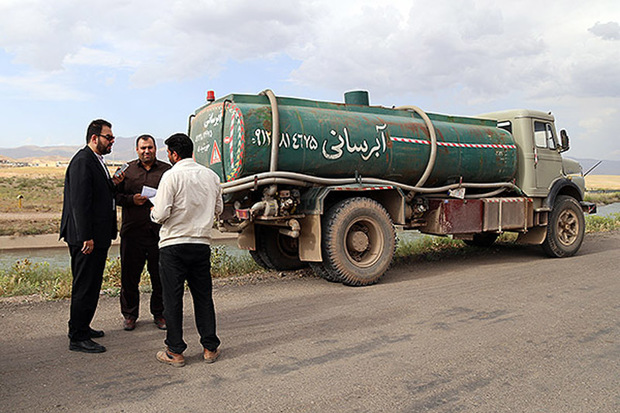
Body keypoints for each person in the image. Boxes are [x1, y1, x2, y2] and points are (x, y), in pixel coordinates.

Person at [150, 133, 223, 367]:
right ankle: (210, 348)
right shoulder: (211, 176)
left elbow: (160, 214)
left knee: (172, 299)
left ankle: (175, 351)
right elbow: (219, 209)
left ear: (173, 153)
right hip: (200, 244)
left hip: (173, 245)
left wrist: (152, 213)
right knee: (203, 297)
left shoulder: (170, 176)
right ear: (191, 151)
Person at [60, 119, 123, 353]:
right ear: (94, 138)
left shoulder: (96, 160)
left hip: (96, 236)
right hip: (86, 238)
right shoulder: (83, 161)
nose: (112, 140)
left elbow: (97, 194)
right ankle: (78, 337)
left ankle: (81, 326)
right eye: (109, 137)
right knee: (85, 285)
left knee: (90, 284)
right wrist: (86, 235)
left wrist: (113, 184)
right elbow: (79, 202)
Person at [115, 135, 171, 331]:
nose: (146, 151)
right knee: (129, 277)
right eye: (143, 148)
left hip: (159, 233)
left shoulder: (167, 171)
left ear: (156, 149)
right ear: (136, 150)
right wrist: (132, 200)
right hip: (132, 233)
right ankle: (130, 315)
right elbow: (114, 195)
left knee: (160, 276)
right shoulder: (126, 170)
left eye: (150, 148)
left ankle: (160, 314)